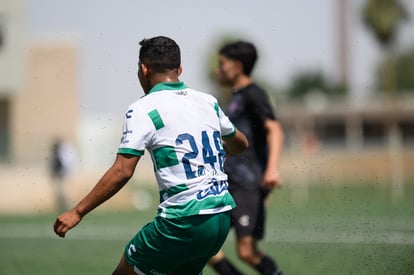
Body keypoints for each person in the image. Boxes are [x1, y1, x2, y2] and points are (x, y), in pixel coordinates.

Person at [53, 36, 248, 275]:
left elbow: (122, 171)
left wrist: (77, 211)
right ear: (179, 69)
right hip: (221, 216)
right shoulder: (207, 102)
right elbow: (241, 143)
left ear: (144, 69)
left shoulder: (143, 108)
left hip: (184, 220)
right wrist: (224, 150)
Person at [208, 41, 285, 275]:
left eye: (222, 64)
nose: (217, 70)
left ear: (237, 66)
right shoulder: (236, 96)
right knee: (206, 246)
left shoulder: (253, 93)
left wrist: (272, 169)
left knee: (247, 252)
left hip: (246, 184)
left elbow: (275, 129)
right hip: (228, 183)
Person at [50, 138, 76, 212]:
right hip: (59, 176)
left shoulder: (60, 154)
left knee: (62, 192)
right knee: (59, 192)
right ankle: (62, 206)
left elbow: (63, 165)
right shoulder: (57, 154)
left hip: (61, 176)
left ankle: (65, 206)